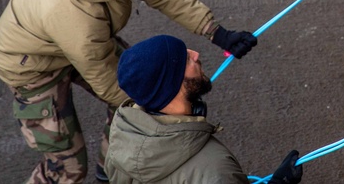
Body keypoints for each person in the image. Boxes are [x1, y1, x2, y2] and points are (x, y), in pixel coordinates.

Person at [0, 0, 259, 184]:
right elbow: (104, 78)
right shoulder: (74, 16)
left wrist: (217, 32)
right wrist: (161, 111)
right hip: (32, 66)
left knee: (138, 90)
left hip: (84, 42)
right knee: (66, 169)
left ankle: (112, 169)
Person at [106, 35, 304, 184]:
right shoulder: (215, 168)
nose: (196, 54)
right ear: (173, 85)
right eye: (186, 59)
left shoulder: (120, 138)